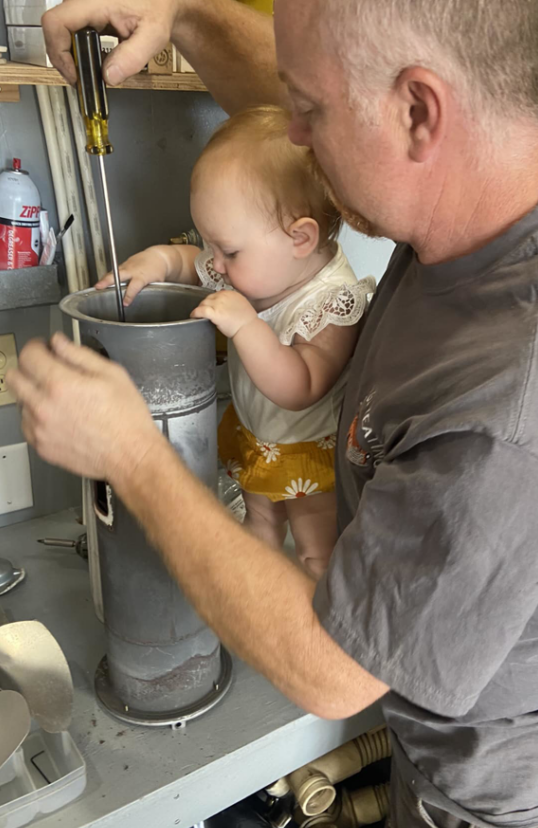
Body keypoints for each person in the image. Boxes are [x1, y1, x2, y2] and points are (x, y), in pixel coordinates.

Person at [9, 0, 538, 828]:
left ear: (418, 108)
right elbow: (286, 118)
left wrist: (133, 454)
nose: (295, 134)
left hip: (491, 826)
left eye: (312, 113)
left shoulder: (521, 405)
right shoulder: (518, 190)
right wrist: (182, 4)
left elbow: (332, 667)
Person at [94, 105, 375, 578]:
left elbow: (301, 386)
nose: (215, 263)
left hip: (309, 450)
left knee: (317, 551)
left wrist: (247, 328)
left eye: (228, 250)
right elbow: (191, 262)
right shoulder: (253, 272)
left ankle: (315, 630)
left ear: (300, 238)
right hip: (257, 438)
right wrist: (158, 262)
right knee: (259, 524)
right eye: (210, 244)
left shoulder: (331, 301)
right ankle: (256, 593)